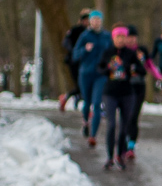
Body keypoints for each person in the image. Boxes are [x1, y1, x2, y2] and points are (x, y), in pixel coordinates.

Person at [97, 25, 144, 170]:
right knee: (111, 125)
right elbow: (99, 69)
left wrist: (133, 68)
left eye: (123, 37)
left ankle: (120, 155)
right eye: (118, 37)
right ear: (113, 38)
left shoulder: (130, 54)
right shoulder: (108, 52)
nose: (121, 39)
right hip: (110, 93)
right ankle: (109, 157)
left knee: (124, 126)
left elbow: (142, 70)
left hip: (127, 93)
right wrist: (108, 68)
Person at [71, 10, 113, 148]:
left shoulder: (107, 36)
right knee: (87, 102)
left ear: (101, 21)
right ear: (89, 21)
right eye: (93, 19)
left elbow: (113, 54)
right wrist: (85, 50)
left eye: (98, 19)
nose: (96, 22)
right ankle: (85, 122)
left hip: (100, 75)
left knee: (96, 104)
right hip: (86, 74)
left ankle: (93, 136)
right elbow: (75, 55)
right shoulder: (84, 36)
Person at [124, 24, 159, 160]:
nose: (131, 40)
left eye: (133, 37)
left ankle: (131, 146)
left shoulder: (141, 50)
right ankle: (125, 141)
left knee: (134, 116)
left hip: (139, 87)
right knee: (126, 116)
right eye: (128, 37)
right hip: (126, 87)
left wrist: (158, 76)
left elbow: (150, 65)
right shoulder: (122, 52)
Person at [58, 9, 89, 112]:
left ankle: (75, 99)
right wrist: (75, 51)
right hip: (75, 62)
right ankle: (69, 98)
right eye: (86, 19)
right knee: (81, 85)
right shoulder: (76, 30)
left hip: (88, 62)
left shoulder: (93, 33)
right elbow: (65, 42)